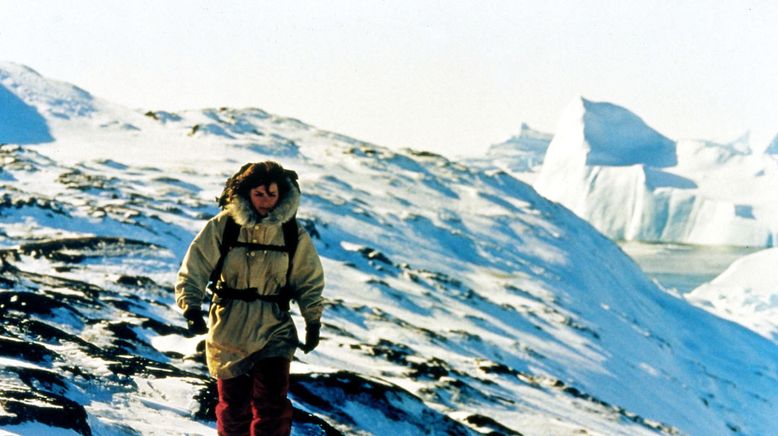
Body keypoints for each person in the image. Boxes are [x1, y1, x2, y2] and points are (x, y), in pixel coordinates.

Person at [175, 161, 325, 436]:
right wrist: (191, 307)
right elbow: (195, 266)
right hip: (229, 328)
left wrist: (312, 320)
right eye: (259, 194)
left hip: (274, 327)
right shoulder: (223, 227)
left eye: (272, 194)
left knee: (272, 405)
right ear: (246, 193)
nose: (266, 201)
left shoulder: (292, 233)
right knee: (234, 408)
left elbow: (308, 279)